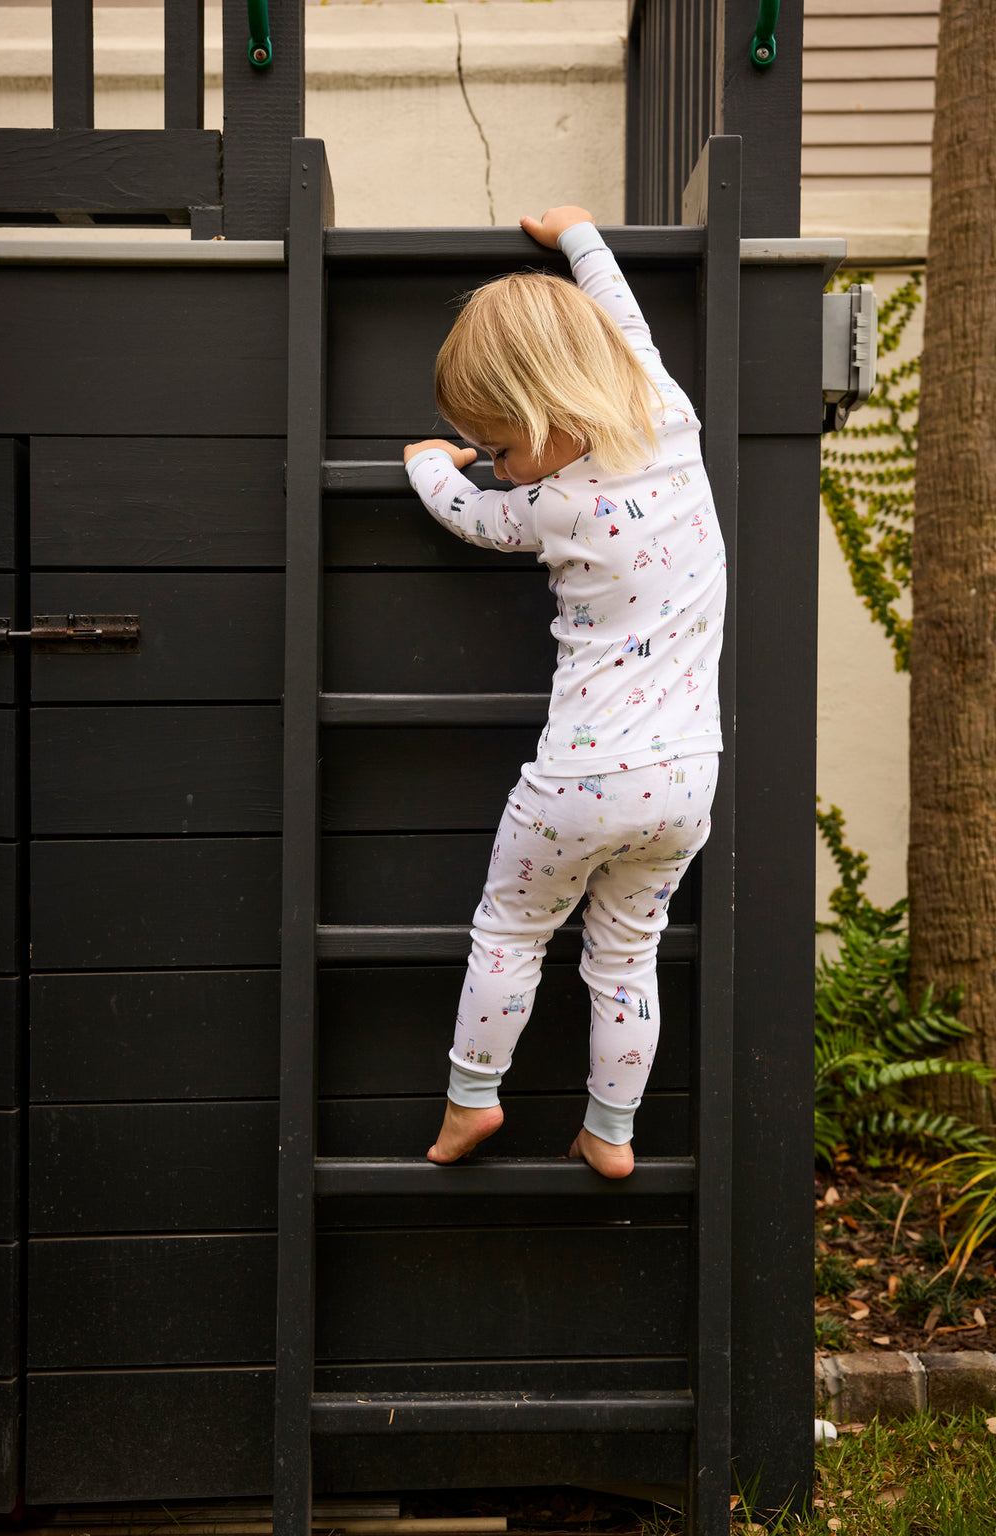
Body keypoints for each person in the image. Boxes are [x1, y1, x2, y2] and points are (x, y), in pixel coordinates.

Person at [403, 205, 725, 1178]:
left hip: (581, 781)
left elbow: (473, 515)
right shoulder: (669, 414)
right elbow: (622, 317)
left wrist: (430, 468)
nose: (499, 467)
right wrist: (580, 236)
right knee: (625, 957)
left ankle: (470, 1103)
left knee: (509, 931)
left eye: (502, 448)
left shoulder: (554, 505)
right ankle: (610, 1131)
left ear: (547, 412)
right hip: (686, 781)